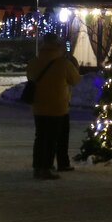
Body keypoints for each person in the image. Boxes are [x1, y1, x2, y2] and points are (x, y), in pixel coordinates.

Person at [28, 34, 81, 179]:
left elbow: (30, 77)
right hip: (58, 106)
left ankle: (39, 166)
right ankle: (47, 167)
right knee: (53, 138)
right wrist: (75, 66)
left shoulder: (35, 61)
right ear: (58, 46)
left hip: (38, 106)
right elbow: (75, 79)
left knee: (40, 137)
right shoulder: (64, 63)